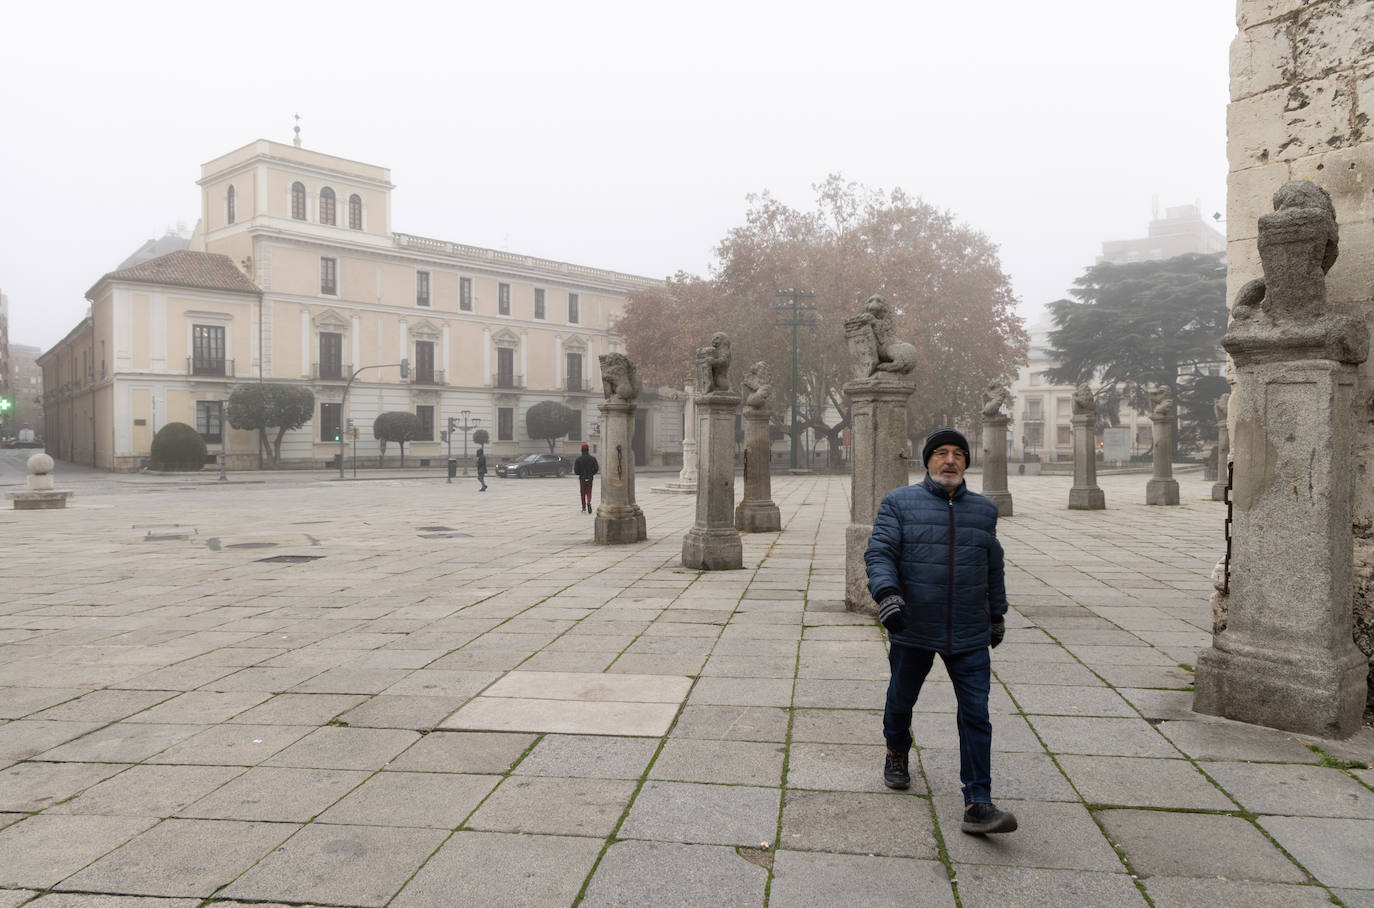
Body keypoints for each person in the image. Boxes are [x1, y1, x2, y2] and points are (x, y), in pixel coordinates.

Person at [864, 427, 1016, 835]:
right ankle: (896, 750)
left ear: (967, 462)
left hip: (968, 628)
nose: (950, 461)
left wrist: (997, 613)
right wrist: (888, 595)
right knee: (901, 698)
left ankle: (978, 802)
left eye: (958, 455)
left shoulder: (984, 511)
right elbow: (880, 553)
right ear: (927, 460)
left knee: (976, 714)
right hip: (914, 624)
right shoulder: (899, 502)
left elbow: (992, 565)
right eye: (942, 453)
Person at [574, 443, 599, 513]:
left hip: (582, 478)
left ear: (581, 450)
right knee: (589, 491)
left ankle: (584, 507)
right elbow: (596, 468)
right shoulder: (593, 458)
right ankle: (589, 502)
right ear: (588, 450)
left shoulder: (578, 459)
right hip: (590, 478)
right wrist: (592, 473)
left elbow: (576, 471)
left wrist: (580, 473)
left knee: (582, 493)